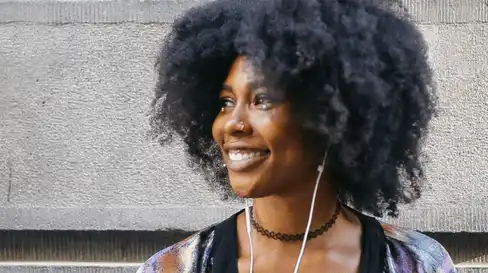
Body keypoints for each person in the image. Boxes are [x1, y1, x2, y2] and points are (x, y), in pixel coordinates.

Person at [138, 0, 454, 272]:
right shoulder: (177, 266)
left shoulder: (416, 263)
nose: (233, 123)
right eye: (225, 102)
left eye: (262, 99)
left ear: (329, 115)